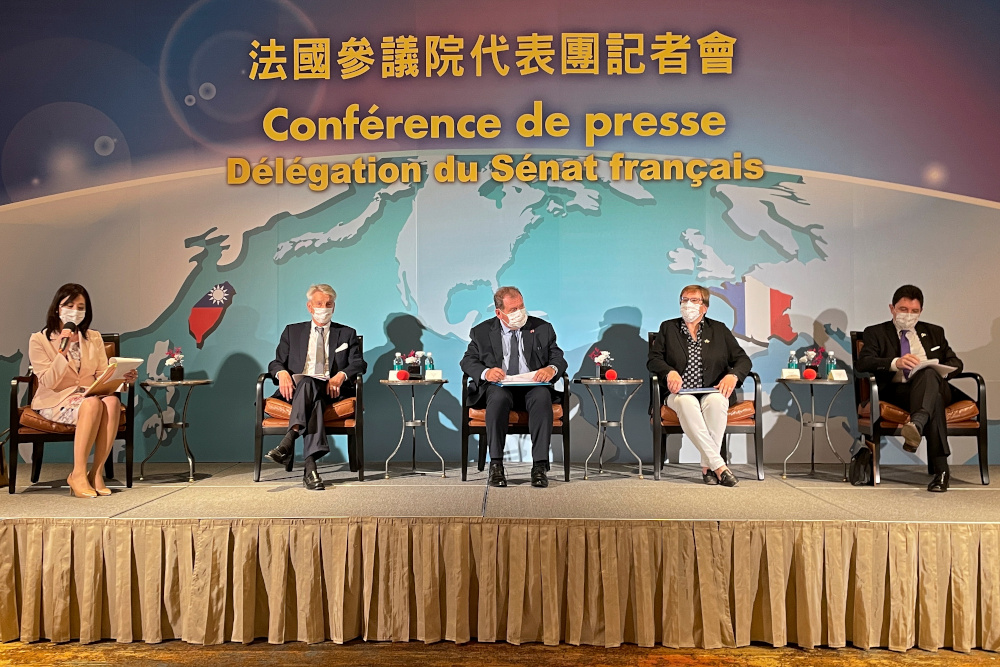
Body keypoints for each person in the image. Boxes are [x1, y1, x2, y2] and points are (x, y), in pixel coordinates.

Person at [27, 283, 138, 498]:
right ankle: (77, 474)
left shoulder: (93, 337)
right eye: (69, 306)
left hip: (88, 394)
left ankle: (96, 473)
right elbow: (48, 381)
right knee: (92, 403)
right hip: (55, 400)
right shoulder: (39, 339)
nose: (75, 311)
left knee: (112, 402)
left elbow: (101, 373)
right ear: (57, 308)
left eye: (80, 307)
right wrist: (63, 350)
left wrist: (122, 378)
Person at [856, 284, 962, 492]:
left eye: (914, 311)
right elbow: (864, 363)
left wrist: (939, 370)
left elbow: (956, 362)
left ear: (921, 311)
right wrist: (896, 362)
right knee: (934, 400)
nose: (909, 315)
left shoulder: (934, 332)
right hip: (899, 392)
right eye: (903, 309)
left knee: (929, 374)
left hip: (937, 386)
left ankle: (917, 424)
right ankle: (941, 471)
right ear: (892, 308)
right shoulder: (876, 332)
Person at [460, 286, 567, 488]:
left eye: (521, 306)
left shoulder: (543, 328)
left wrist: (551, 369)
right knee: (498, 397)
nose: (520, 313)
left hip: (532, 386)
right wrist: (486, 372)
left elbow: (558, 358)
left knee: (542, 396)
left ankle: (539, 466)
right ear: (499, 313)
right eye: (513, 310)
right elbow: (468, 361)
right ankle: (496, 465)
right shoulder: (481, 332)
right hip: (500, 387)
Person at [647, 285, 752, 486]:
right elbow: (654, 359)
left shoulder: (719, 329)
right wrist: (669, 371)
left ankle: (707, 467)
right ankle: (718, 466)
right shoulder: (668, 328)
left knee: (716, 402)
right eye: (684, 299)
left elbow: (743, 360)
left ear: (705, 307)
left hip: (712, 390)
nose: (687, 304)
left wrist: (733, 376)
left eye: (694, 300)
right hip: (679, 393)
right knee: (686, 403)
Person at [266, 284, 367, 490]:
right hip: (298, 391)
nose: (324, 308)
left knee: (310, 387)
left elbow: (359, 363)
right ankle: (310, 470)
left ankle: (290, 439)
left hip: (332, 390)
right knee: (312, 395)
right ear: (310, 306)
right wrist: (281, 373)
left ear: (334, 307)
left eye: (329, 304)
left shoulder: (346, 333)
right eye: (319, 304)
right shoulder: (292, 331)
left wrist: (341, 375)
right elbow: (276, 363)